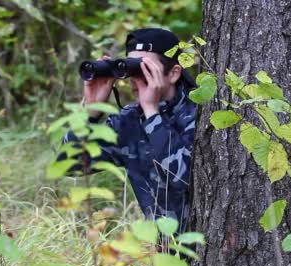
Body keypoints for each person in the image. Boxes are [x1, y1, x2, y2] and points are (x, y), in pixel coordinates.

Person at [60, 28, 197, 233]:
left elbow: (183, 179)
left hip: (210, 251)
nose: (134, 78)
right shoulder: (130, 120)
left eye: (144, 69)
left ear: (174, 73)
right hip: (167, 253)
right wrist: (91, 112)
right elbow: (71, 166)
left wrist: (151, 112)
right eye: (131, 68)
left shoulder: (201, 115)